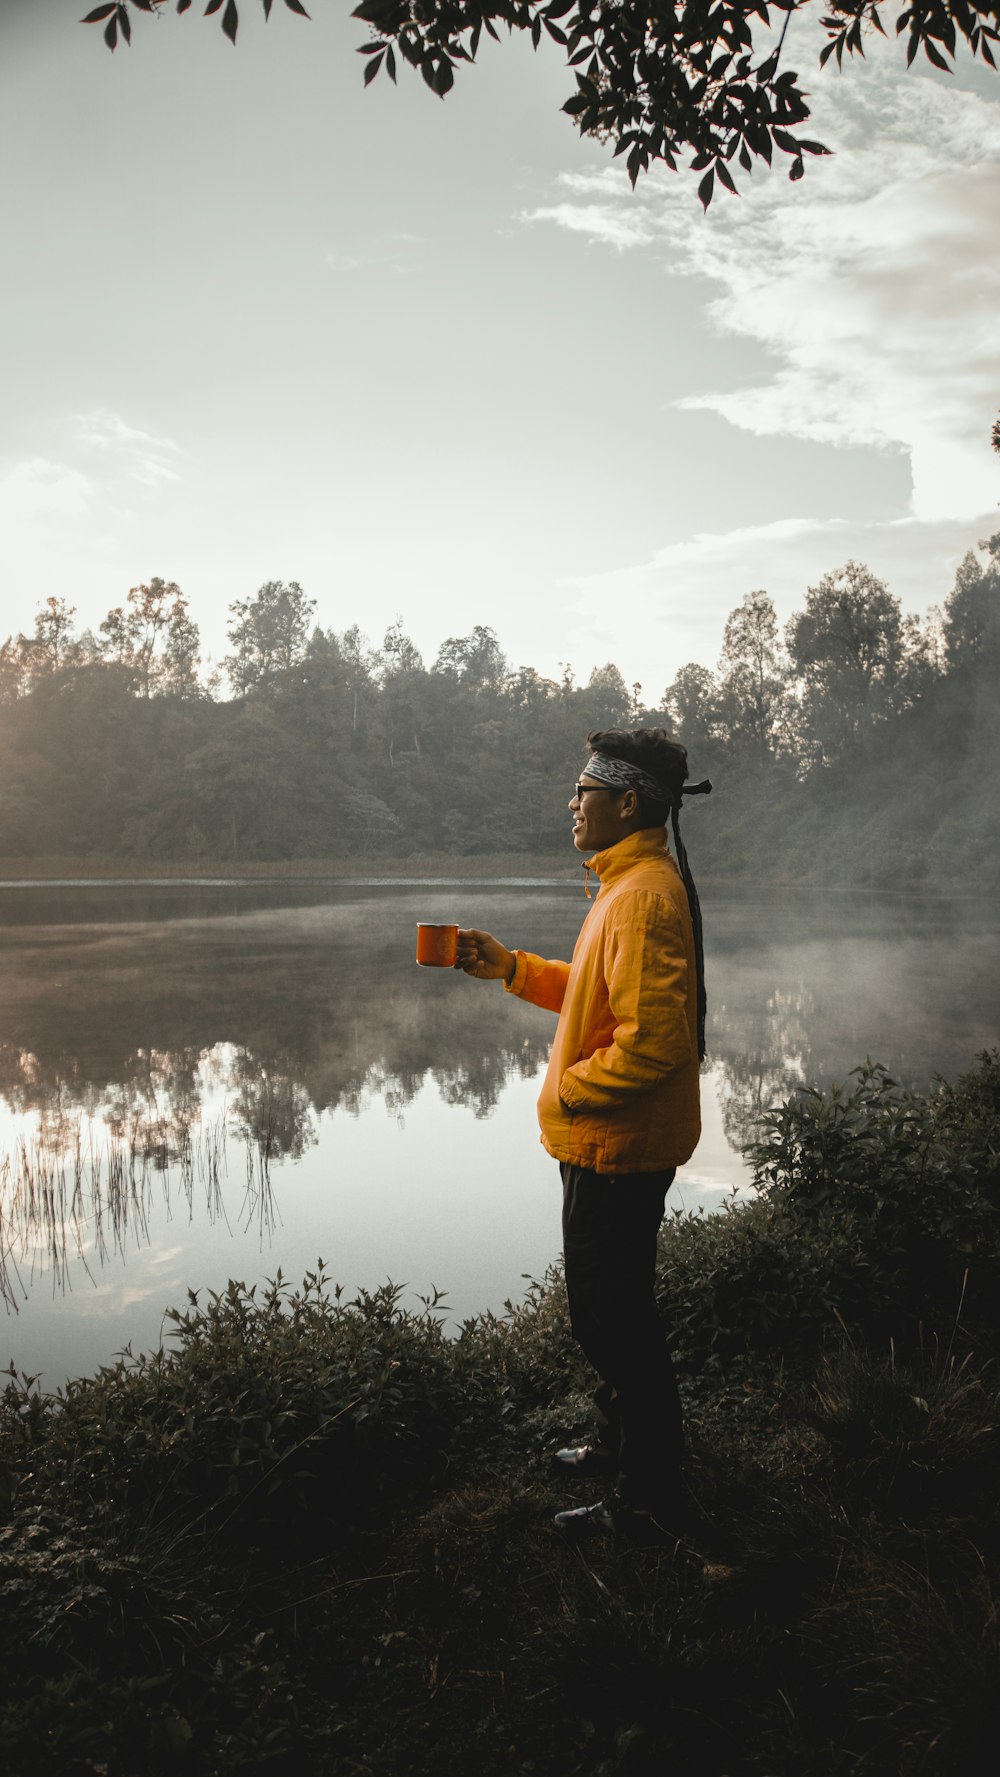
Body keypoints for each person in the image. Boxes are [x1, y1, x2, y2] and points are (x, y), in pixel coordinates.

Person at [455, 727, 710, 1537]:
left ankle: (648, 1501)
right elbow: (600, 995)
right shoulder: (626, 885)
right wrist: (512, 966)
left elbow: (655, 1041)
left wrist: (567, 1090)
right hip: (605, 1143)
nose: (571, 804)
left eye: (584, 791)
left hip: (616, 1148)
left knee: (615, 1322)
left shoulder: (640, 897)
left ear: (627, 802)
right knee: (608, 1312)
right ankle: (619, 1445)